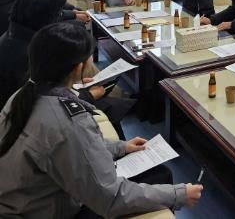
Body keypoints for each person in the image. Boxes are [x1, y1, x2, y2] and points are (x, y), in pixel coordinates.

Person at [0, 22, 202, 217]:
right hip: (45, 210)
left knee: (157, 173)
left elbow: (69, 147)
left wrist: (121, 147)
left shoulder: (24, 94)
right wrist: (178, 195)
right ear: (78, 68)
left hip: (26, 200)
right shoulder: (68, 121)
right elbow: (110, 198)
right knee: (161, 176)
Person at [0, 0, 134, 137]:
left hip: (39, 105)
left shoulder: (17, 35)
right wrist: (88, 95)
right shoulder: (28, 54)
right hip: (29, 119)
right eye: (58, 14)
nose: (61, 17)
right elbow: (42, 102)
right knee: (110, 106)